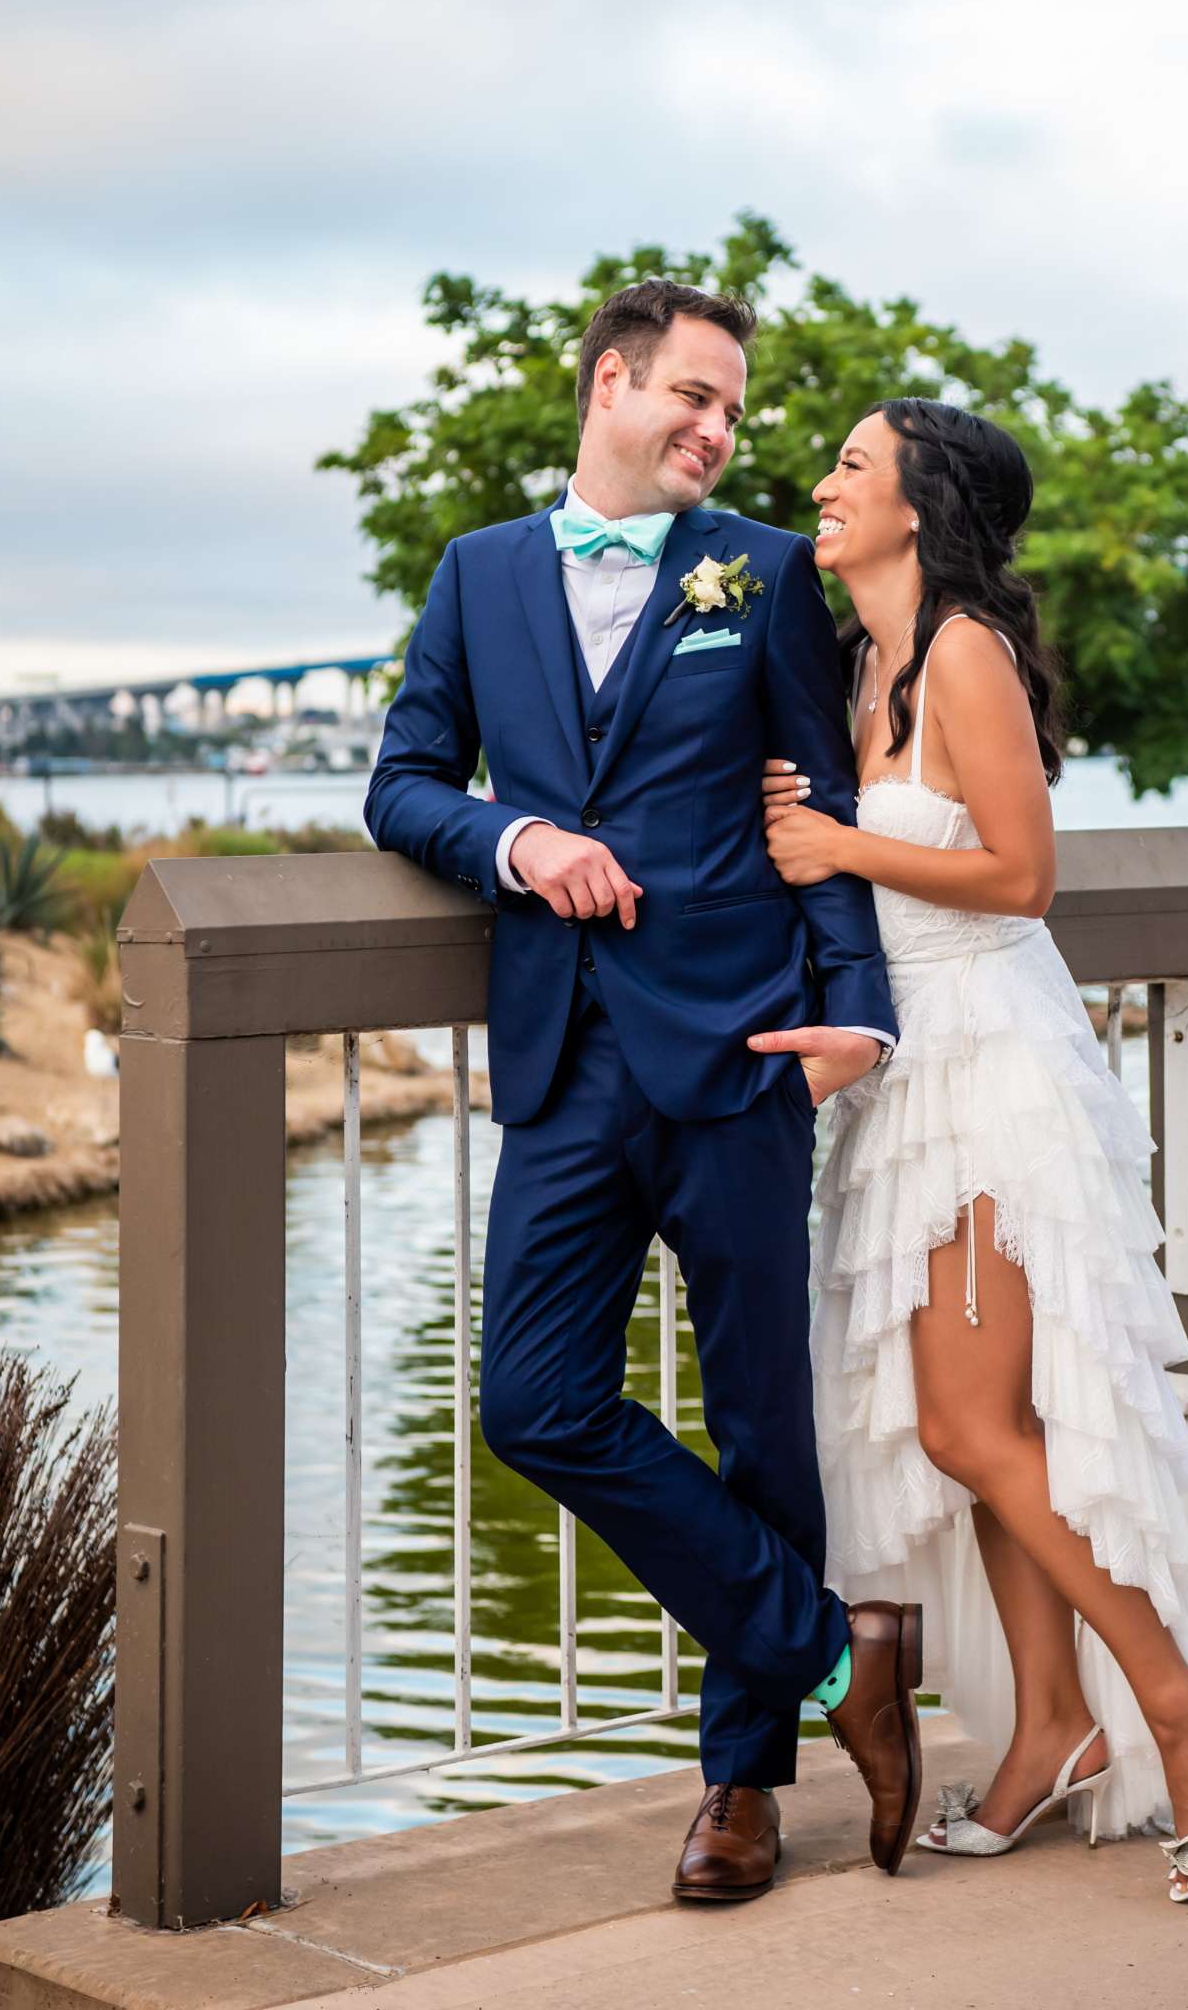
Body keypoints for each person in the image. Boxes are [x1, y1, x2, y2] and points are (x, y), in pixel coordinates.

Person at [364, 280, 923, 1908]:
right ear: (609, 385)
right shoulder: (475, 575)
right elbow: (404, 780)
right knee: (531, 1404)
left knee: (761, 1420)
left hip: (741, 1050)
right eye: (690, 396)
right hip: (559, 1056)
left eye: (731, 411)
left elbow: (814, 803)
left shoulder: (755, 571)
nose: (715, 429)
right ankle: (836, 1652)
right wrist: (514, 842)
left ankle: (741, 1790)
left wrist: (857, 1018)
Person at [761, 397, 1188, 1905]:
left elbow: (1021, 875)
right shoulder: (863, 665)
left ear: (917, 505)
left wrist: (840, 843)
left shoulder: (964, 654)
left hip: (988, 1071)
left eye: (851, 465)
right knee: (985, 1433)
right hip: (897, 1074)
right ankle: (1050, 1728)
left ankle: (1186, 1713)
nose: (822, 486)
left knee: (972, 1430)